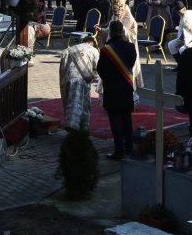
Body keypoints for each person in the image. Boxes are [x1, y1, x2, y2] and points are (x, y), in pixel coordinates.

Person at [96, 21, 138, 160]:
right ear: (121, 31)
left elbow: (100, 69)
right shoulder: (131, 47)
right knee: (127, 119)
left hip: (112, 89)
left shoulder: (107, 50)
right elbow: (131, 64)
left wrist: (110, 79)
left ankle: (118, 151)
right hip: (126, 87)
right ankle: (129, 147)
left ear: (111, 32)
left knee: (115, 121)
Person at [58, 33, 100, 132]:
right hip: (82, 80)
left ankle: (70, 124)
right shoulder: (93, 50)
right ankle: (82, 129)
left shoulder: (68, 50)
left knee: (69, 101)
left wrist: (63, 82)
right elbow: (98, 67)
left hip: (68, 78)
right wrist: (93, 77)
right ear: (91, 43)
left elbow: (62, 68)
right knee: (83, 103)